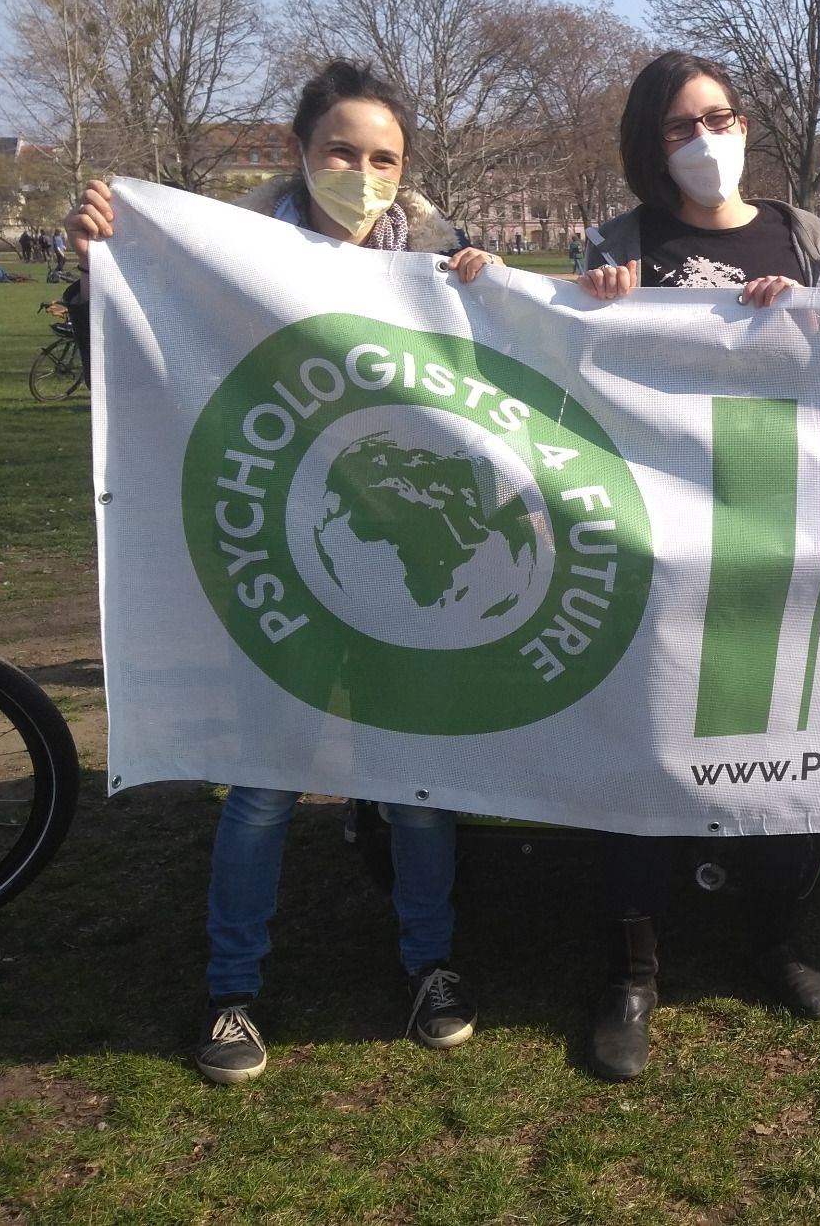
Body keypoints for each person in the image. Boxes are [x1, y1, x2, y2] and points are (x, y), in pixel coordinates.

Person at [63, 58, 500, 1084]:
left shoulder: (439, 261)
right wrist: (97, 270)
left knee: (417, 788)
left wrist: (496, 296)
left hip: (402, 568)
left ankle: (431, 965)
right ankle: (232, 991)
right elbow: (133, 356)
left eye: (384, 158)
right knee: (263, 785)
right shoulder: (228, 254)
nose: (363, 174)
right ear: (300, 152)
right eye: (343, 151)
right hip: (284, 562)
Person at [575, 50, 820, 1082]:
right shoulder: (619, 244)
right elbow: (572, 382)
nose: (706, 139)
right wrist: (592, 311)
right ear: (651, 146)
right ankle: (632, 972)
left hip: (777, 523)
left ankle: (774, 941)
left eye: (720, 117)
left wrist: (817, 323)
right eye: (680, 126)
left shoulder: (808, 238)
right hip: (655, 533)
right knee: (643, 744)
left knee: (778, 733)